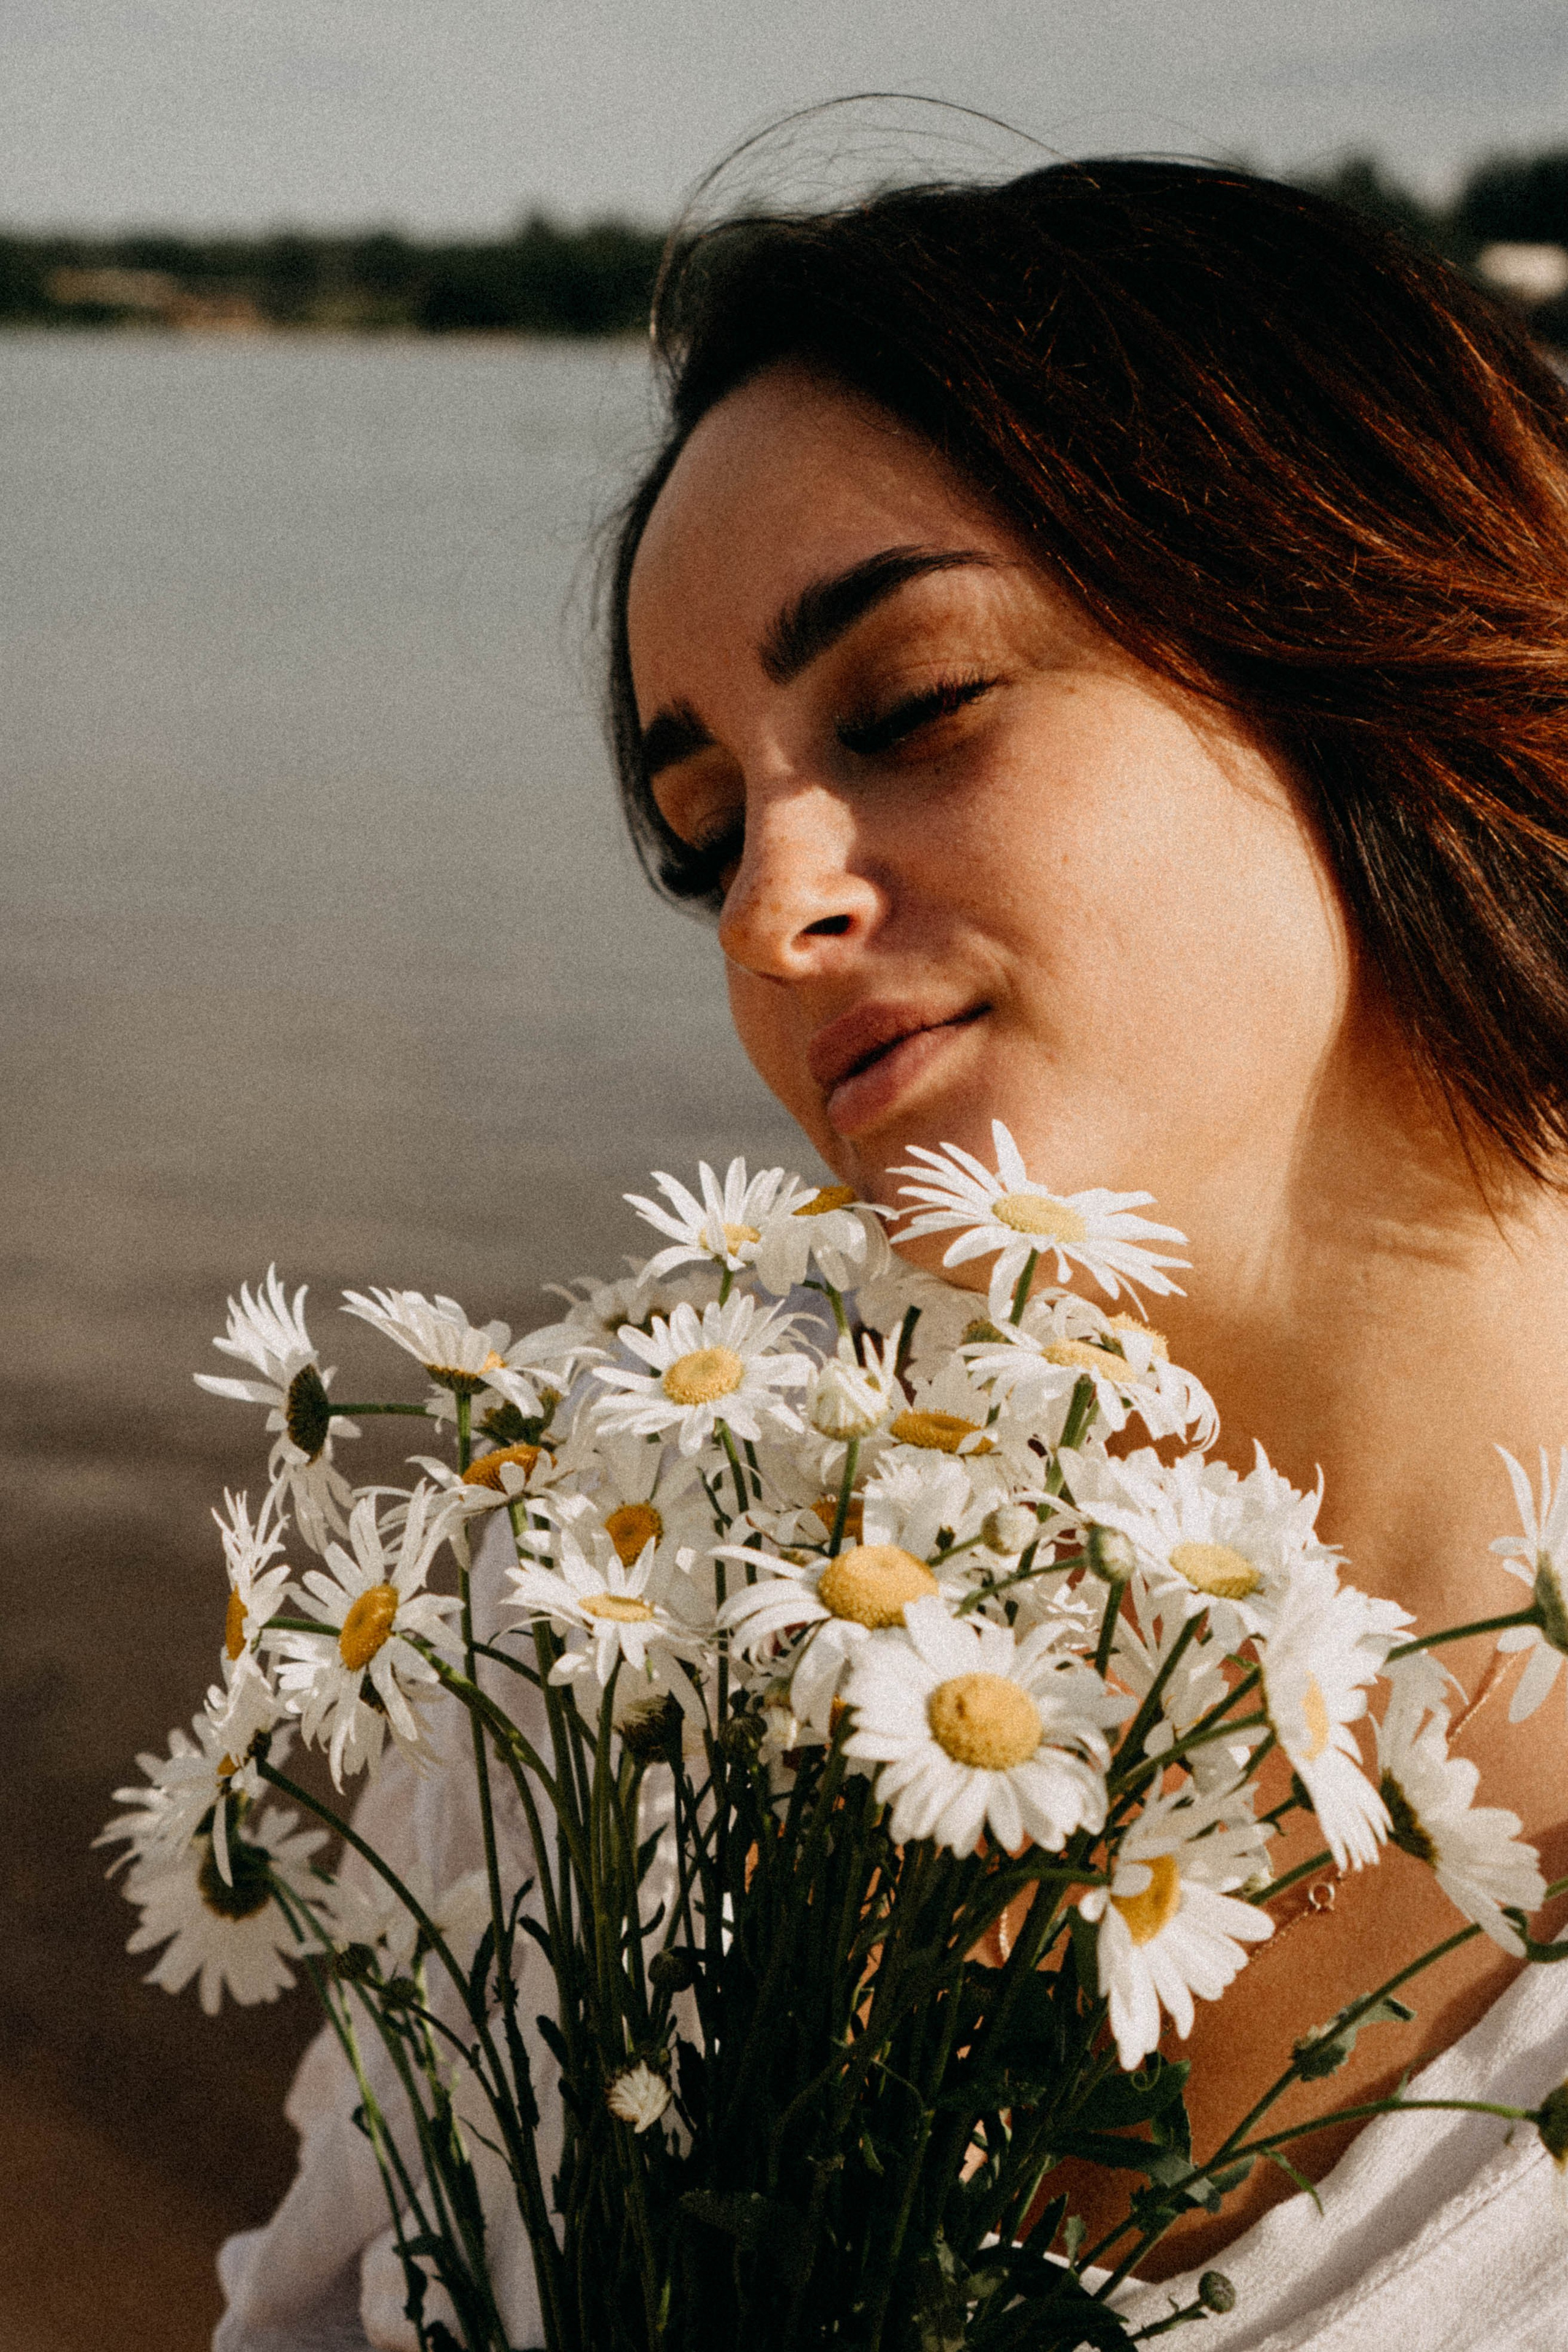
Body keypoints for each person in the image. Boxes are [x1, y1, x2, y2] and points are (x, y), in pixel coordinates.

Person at [220, 159, 1568, 2349]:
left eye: (917, 703)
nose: (769, 915)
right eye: (704, 833)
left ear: (1365, 620)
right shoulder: (626, 1595)